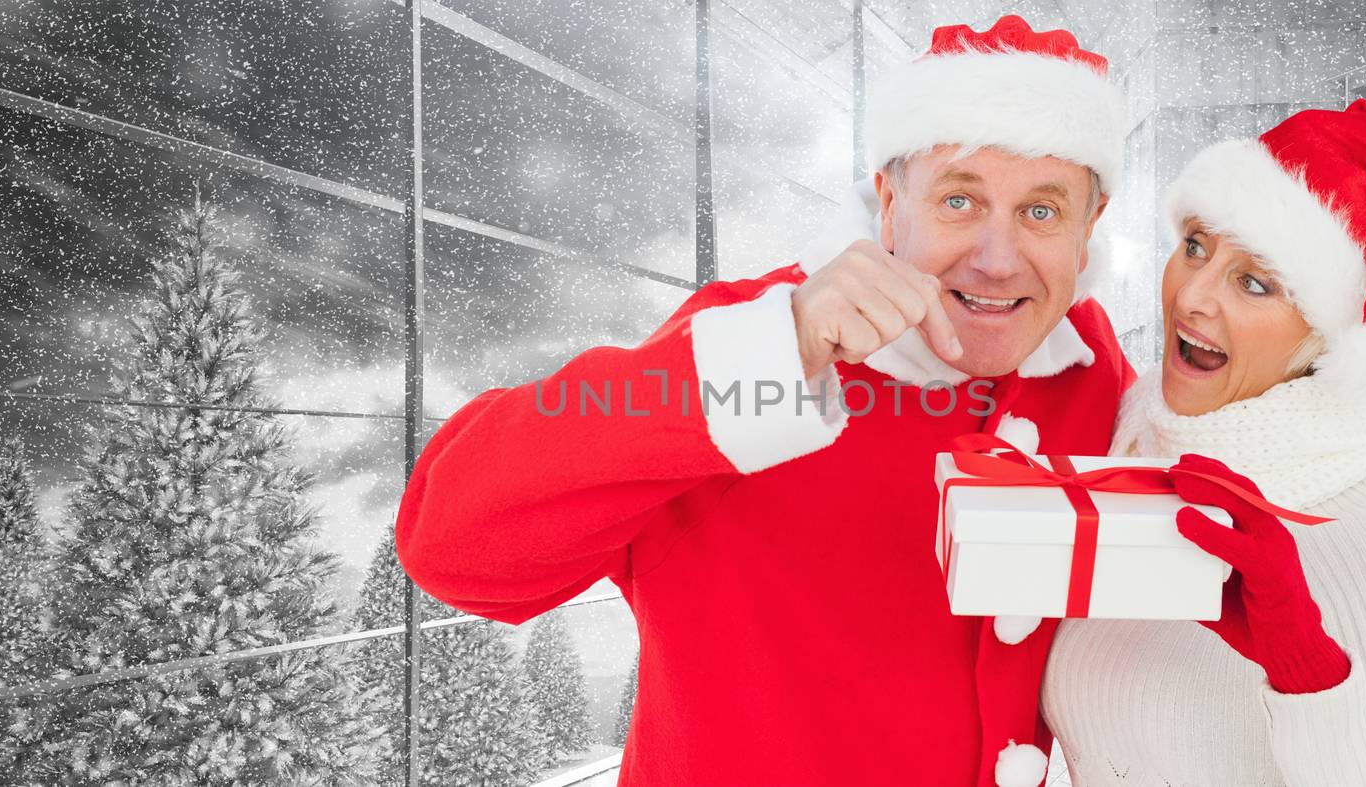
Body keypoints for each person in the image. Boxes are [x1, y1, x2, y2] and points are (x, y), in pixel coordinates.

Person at [395, 15, 1131, 787]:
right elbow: (450, 547)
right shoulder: (752, 340)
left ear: (1088, 235)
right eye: (959, 201)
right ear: (887, 205)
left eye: (1041, 211)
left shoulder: (1085, 367)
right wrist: (779, 353)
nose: (997, 259)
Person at [1039, 99, 1366, 786]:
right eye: (1195, 247)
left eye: (1254, 282)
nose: (1193, 297)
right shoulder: (1129, 444)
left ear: (1325, 341)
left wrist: (1307, 674)